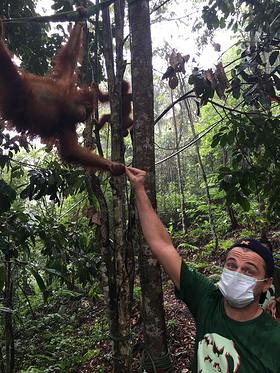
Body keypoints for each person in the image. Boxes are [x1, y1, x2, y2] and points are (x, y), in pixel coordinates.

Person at [126, 166, 280, 373]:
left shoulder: (274, 338)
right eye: (231, 265)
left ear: (267, 284)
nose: (237, 274)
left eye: (249, 271)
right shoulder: (208, 300)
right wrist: (139, 189)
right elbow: (162, 245)